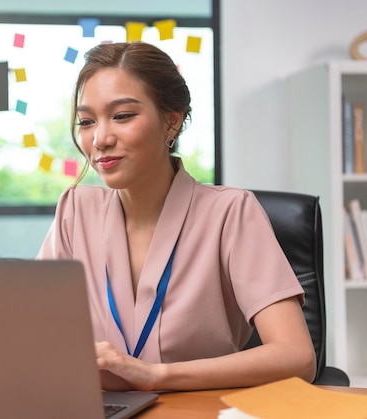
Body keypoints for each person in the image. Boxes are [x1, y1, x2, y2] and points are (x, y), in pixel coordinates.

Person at [36, 41, 316, 392]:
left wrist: (157, 376)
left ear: (172, 120)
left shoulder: (229, 212)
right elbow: (31, 335)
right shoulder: (75, 211)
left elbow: (297, 357)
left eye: (122, 116)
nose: (100, 138)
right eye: (87, 121)